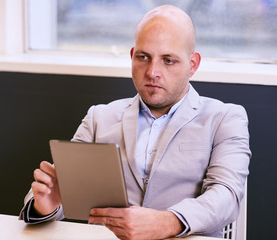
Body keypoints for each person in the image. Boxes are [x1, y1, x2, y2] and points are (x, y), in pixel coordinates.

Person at [19, 5, 251, 239]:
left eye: (168, 60)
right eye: (143, 57)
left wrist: (167, 222)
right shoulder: (99, 118)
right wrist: (45, 206)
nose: (152, 72)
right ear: (132, 56)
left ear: (192, 64)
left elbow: (227, 196)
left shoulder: (225, 119)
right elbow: (51, 192)